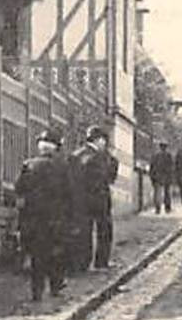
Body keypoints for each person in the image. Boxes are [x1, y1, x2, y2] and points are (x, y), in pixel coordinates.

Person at [14, 128, 72, 301]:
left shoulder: (28, 165)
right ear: (56, 147)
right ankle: (56, 285)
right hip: (56, 217)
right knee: (57, 251)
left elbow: (19, 189)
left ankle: (37, 291)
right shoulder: (63, 166)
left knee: (37, 255)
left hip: (33, 218)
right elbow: (69, 192)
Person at [71, 125, 119, 270]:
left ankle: (82, 263)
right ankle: (101, 262)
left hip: (80, 200)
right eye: (104, 140)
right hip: (99, 199)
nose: (104, 144)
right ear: (99, 140)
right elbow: (109, 177)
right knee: (104, 231)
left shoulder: (75, 155)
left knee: (84, 232)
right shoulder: (101, 157)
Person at [148, 140, 176, 214]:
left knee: (157, 193)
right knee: (167, 193)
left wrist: (152, 176)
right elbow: (172, 167)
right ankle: (167, 208)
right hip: (166, 176)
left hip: (157, 177)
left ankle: (158, 209)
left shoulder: (155, 156)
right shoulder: (168, 156)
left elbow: (152, 166)